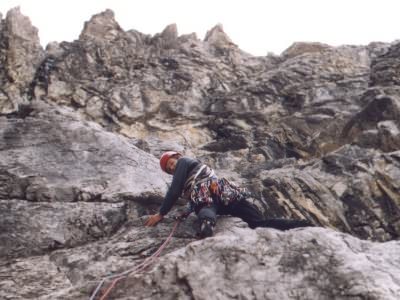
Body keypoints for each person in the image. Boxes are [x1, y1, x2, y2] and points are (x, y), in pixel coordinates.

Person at [145, 151, 313, 238]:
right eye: (169, 169)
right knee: (256, 223)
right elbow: (193, 200)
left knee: (205, 206)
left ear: (177, 157)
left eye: (171, 164)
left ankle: (207, 224)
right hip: (223, 191)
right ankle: (300, 225)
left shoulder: (183, 161)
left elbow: (174, 191)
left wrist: (161, 213)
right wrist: (186, 211)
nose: (172, 168)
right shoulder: (188, 176)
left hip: (205, 190)